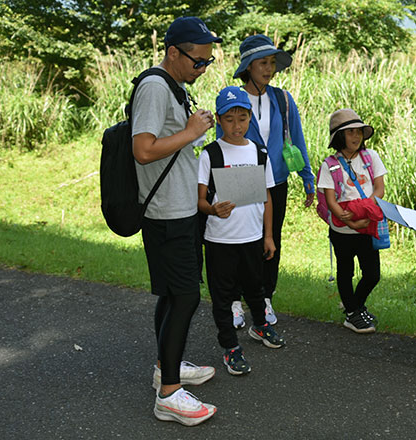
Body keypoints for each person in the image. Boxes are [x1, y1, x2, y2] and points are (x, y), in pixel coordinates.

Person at [131, 16, 219, 426]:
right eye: (198, 60)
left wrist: (192, 127)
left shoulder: (175, 87)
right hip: (167, 212)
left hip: (180, 208)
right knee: (185, 296)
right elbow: (144, 150)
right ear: (173, 52)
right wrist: (190, 132)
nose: (203, 67)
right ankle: (168, 393)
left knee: (171, 294)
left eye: (207, 60)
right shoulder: (153, 86)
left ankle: (166, 366)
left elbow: (173, 139)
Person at [216, 34, 315, 328]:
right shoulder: (235, 98)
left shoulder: (282, 99)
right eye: (263, 62)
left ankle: (265, 297)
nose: (269, 68)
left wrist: (307, 178)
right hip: (241, 175)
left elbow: (297, 139)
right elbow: (223, 138)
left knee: (272, 240)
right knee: (239, 240)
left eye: (272, 62)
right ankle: (235, 301)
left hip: (277, 180)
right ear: (248, 66)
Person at [198, 86, 286, 376]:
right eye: (230, 119)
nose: (237, 126)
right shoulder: (210, 154)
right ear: (219, 120)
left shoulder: (259, 153)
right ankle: (230, 347)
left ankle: (260, 326)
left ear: (250, 118)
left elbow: (267, 196)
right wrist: (213, 209)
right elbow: (199, 200)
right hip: (220, 239)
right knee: (223, 297)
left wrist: (269, 235)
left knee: (256, 288)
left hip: (252, 237)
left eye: (243, 118)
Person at [317, 109, 386, 333]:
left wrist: (364, 211)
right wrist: (352, 222)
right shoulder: (329, 165)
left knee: (372, 274)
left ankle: (355, 306)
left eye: (359, 132)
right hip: (343, 230)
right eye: (350, 133)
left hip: (367, 225)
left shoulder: (371, 157)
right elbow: (331, 201)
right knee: (345, 272)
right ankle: (352, 313)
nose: (356, 137)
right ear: (339, 137)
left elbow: (379, 189)